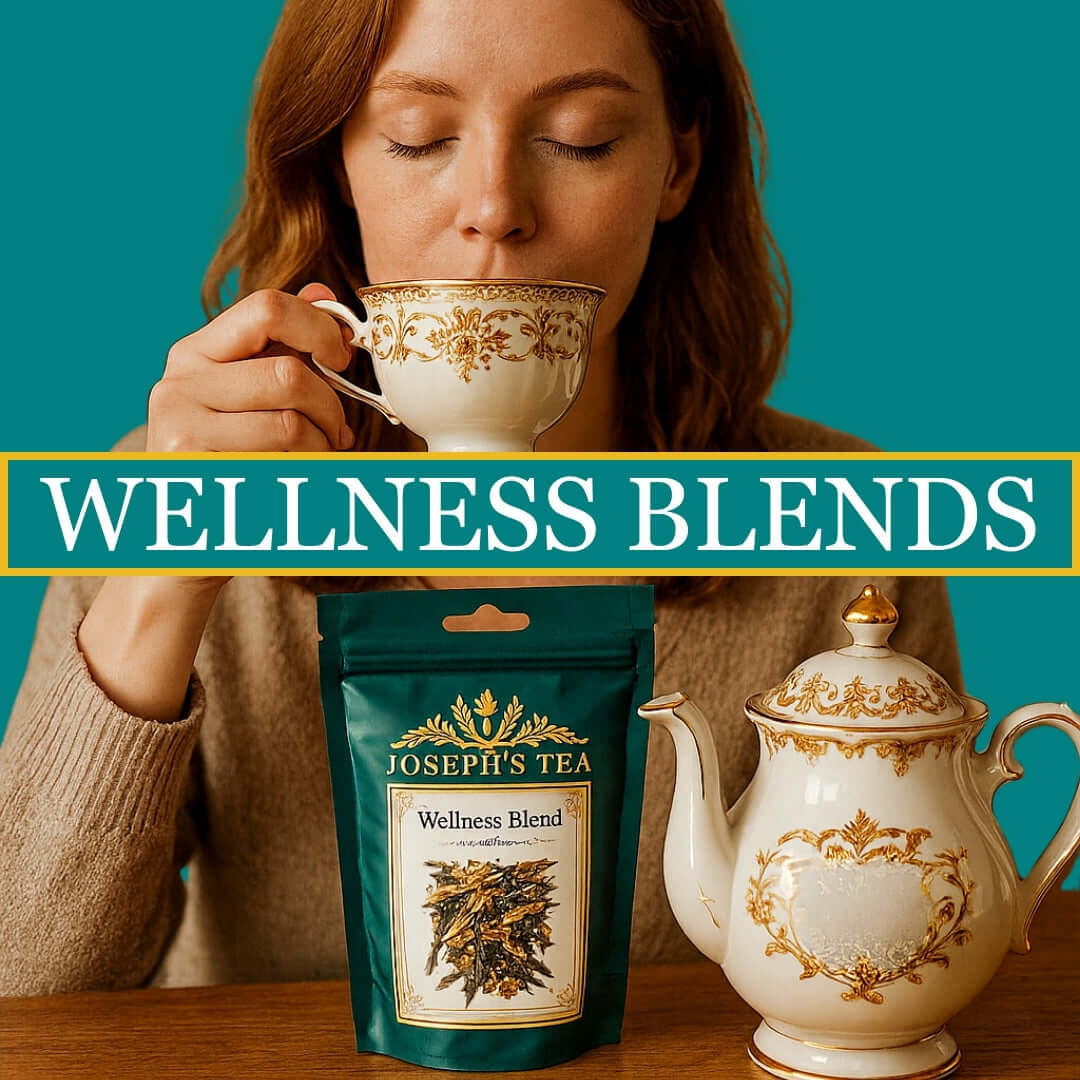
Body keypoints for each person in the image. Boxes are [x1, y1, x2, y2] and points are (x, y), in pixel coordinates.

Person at [0, 0, 961, 995]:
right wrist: (164, 580)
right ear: (339, 164)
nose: (494, 206)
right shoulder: (177, 486)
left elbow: (908, 956)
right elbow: (22, 990)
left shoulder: (844, 536)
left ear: (677, 164)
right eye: (419, 137)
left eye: (578, 140)